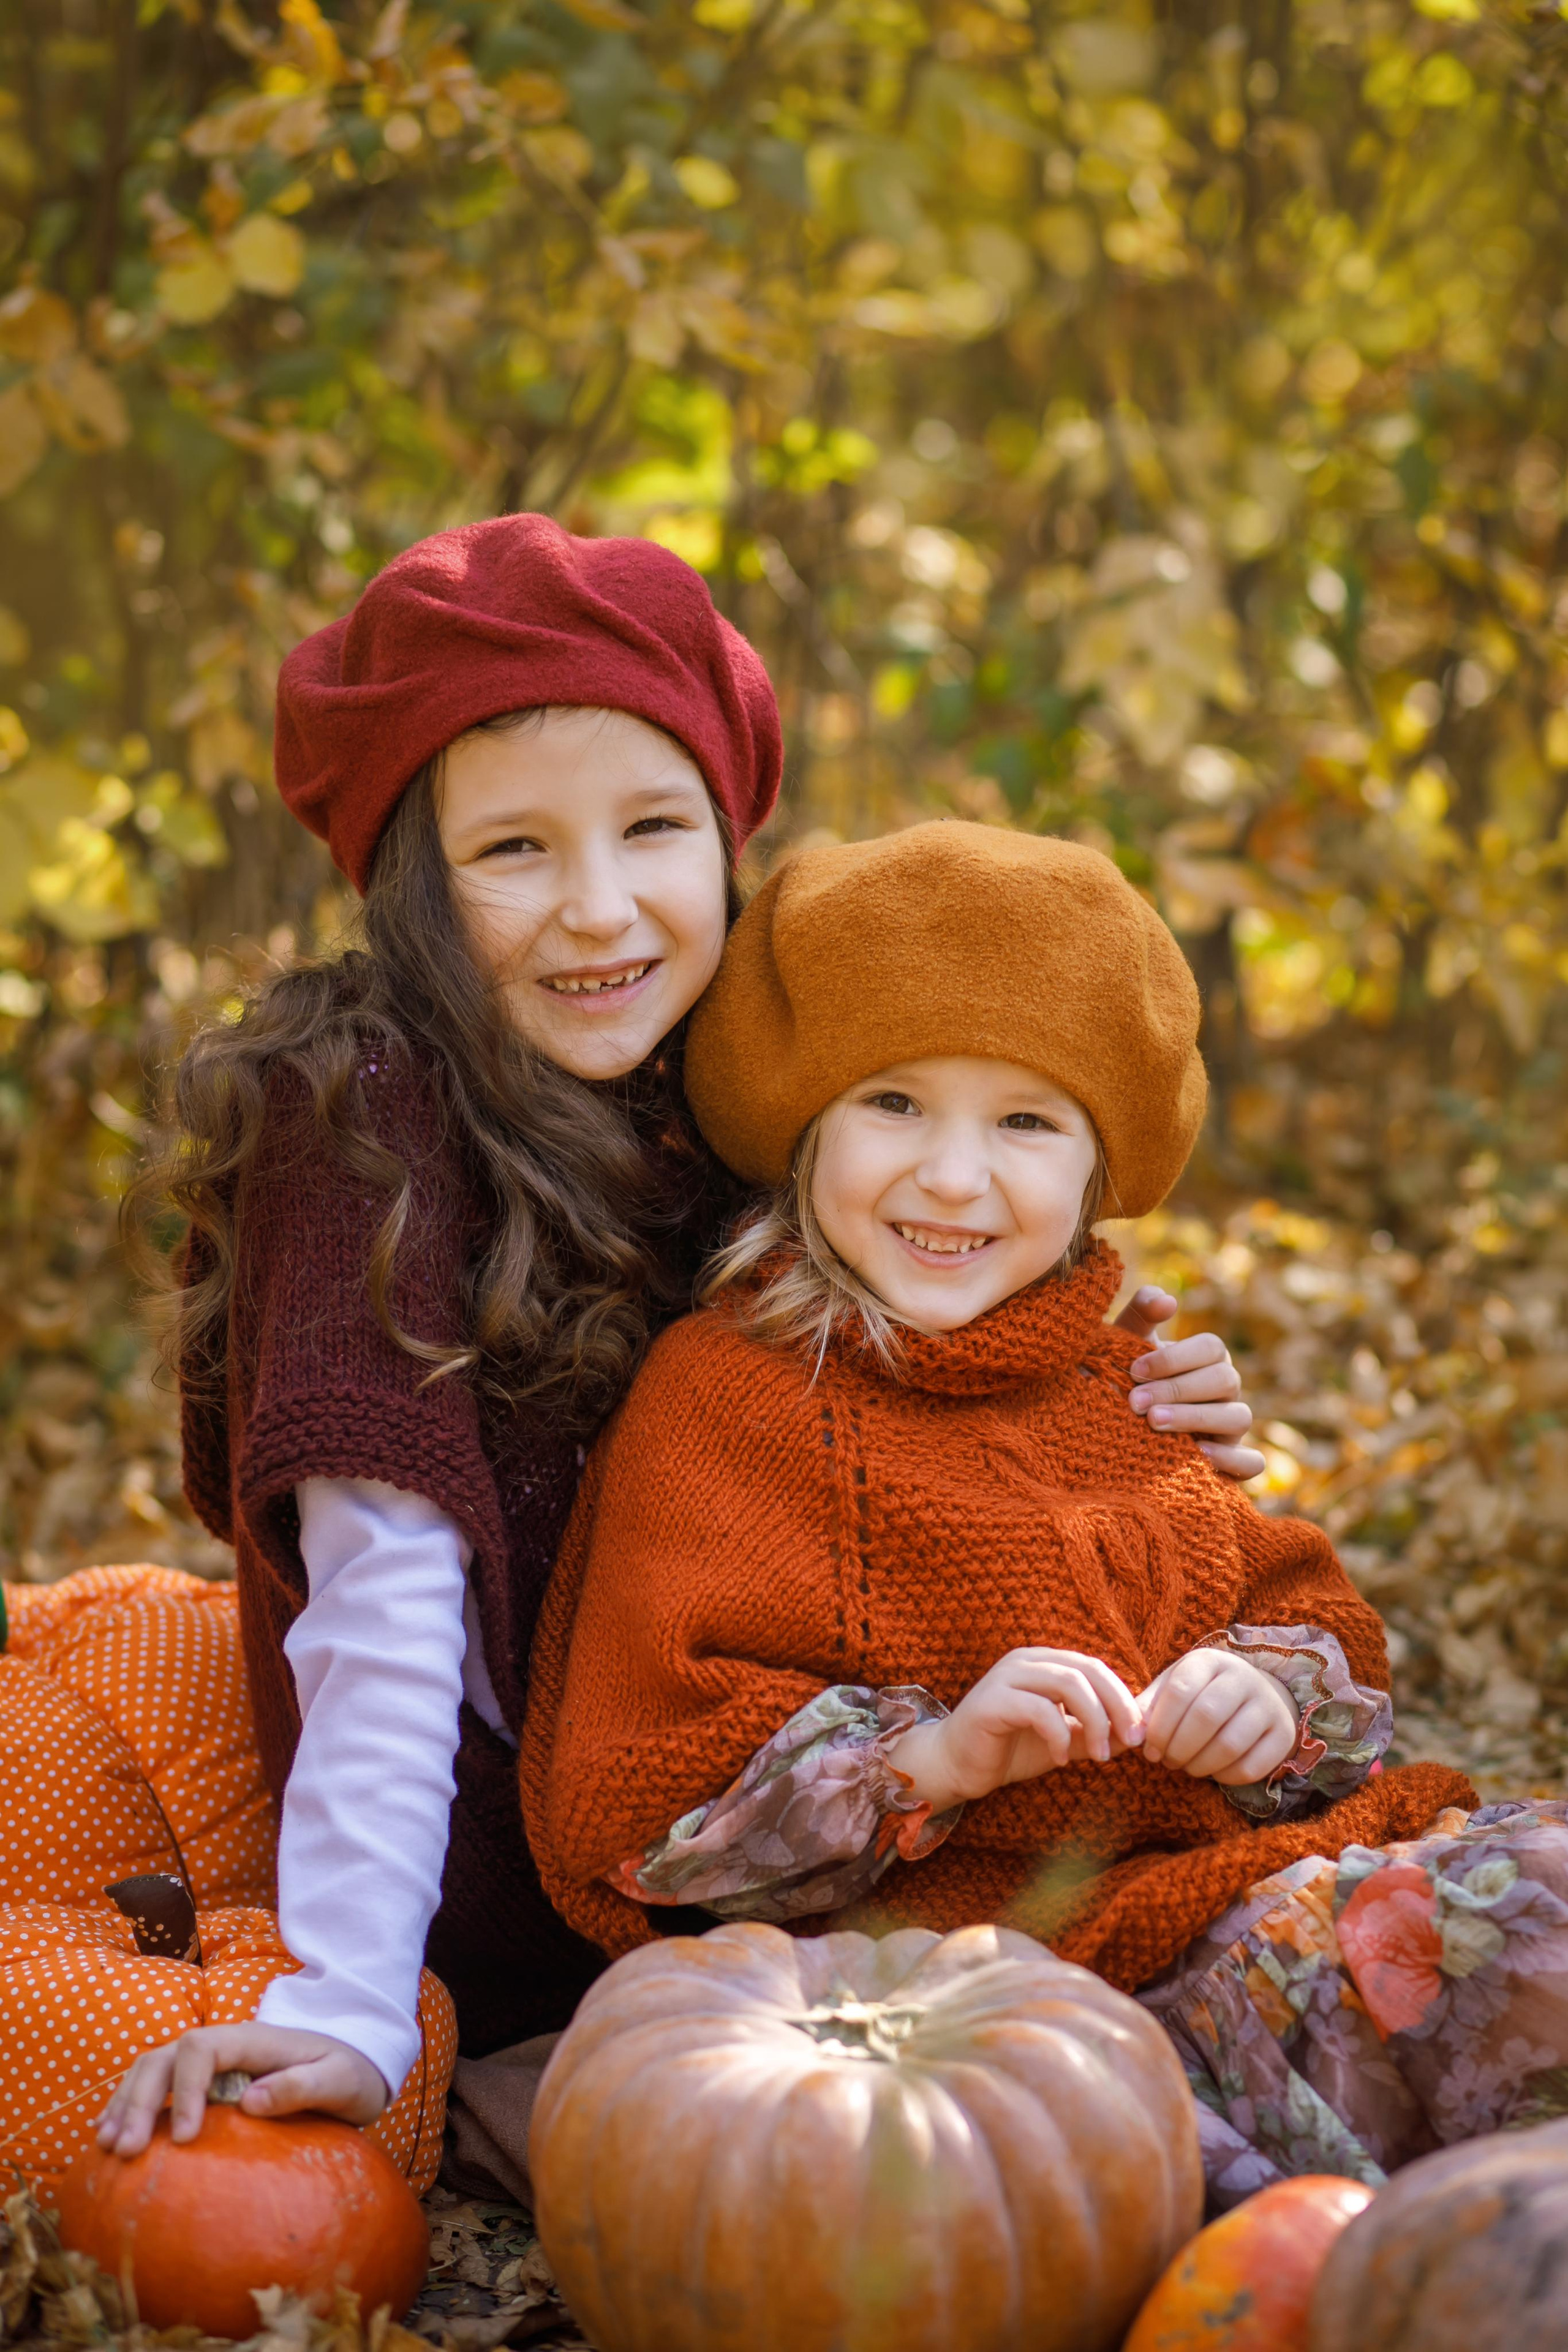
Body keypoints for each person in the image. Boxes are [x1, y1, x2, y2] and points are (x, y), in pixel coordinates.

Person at [88, 523, 1259, 2166]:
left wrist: (1136, 1386)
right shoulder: (356, 1113)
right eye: (514, 850)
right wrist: (353, 1996)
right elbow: (388, 1594)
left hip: (846, 1807)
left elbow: (932, 1283)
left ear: (728, 835)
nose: (598, 908)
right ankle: (534, 2069)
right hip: (527, 1855)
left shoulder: (725, 1066)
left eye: (652, 829)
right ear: (411, 882)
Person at [522, 821, 1568, 2202]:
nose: (953, 1177)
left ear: (1092, 1170)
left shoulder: (1123, 1368)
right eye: (892, 1102)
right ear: (801, 1126)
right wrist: (942, 1759)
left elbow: (1308, 1626)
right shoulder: (729, 1396)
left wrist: (1262, 1698)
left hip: (1247, 1885)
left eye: (1024, 1121)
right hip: (992, 2005)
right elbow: (643, 1811)